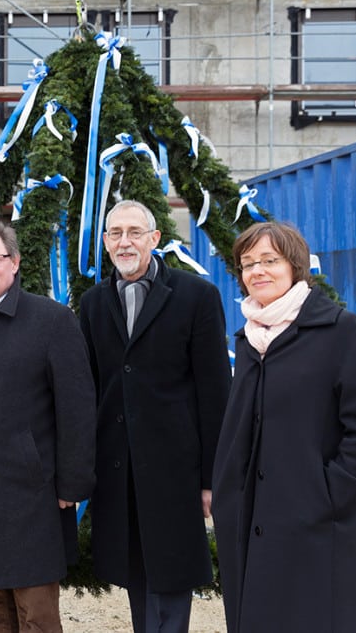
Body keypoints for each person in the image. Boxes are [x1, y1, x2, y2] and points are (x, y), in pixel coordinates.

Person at [212, 221, 356, 633]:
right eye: (247, 263)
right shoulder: (249, 338)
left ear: (294, 265)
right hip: (249, 523)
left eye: (269, 261)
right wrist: (226, 495)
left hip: (315, 526)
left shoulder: (341, 331)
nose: (257, 271)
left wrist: (325, 495)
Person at [78, 200, 232, 633]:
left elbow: (215, 392)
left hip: (176, 470)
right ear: (105, 242)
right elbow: (88, 389)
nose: (124, 241)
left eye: (134, 232)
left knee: (171, 576)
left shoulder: (197, 297)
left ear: (154, 239)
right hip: (117, 469)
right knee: (136, 575)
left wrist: (210, 479)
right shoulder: (91, 304)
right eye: (115, 233)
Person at [0, 221, 96, 633]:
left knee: (36, 613)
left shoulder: (51, 320)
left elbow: (77, 406)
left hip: (33, 492)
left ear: (15, 262)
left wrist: (73, 482)